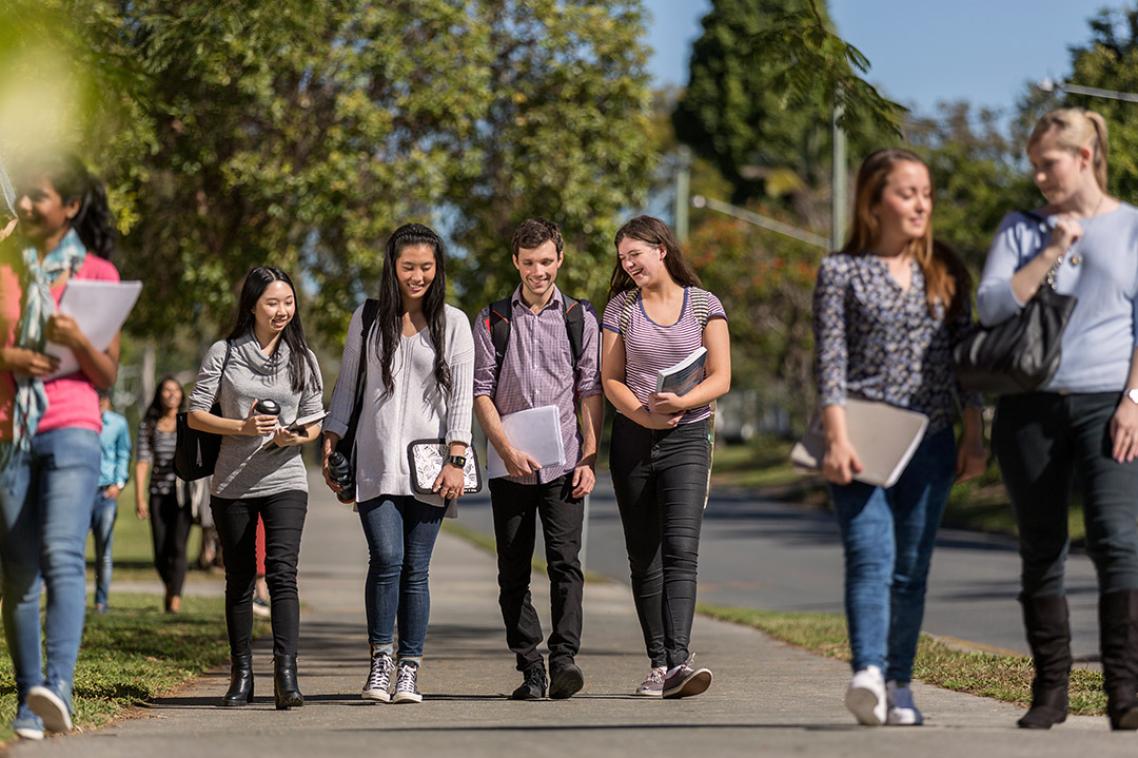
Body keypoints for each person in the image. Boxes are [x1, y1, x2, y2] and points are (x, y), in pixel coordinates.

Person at [813, 148, 986, 727]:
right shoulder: (840, 272)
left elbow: (967, 365)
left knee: (911, 569)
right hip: (861, 437)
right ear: (874, 200)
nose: (920, 203)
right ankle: (867, 672)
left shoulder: (947, 272)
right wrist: (836, 439)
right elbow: (830, 363)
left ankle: (899, 682)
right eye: (907, 192)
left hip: (933, 441)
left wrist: (974, 434)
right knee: (870, 557)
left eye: (927, 193)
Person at [977, 108, 1138, 731]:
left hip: (1109, 402)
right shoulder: (1022, 228)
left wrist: (1133, 401)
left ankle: (1125, 694)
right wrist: (1050, 249)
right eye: (1034, 165)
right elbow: (991, 306)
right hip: (1030, 407)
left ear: (1085, 157)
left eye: (1049, 163)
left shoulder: (1130, 228)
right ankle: (1050, 693)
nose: (1040, 176)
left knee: (1118, 542)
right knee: (1041, 547)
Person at [324, 222, 473, 705]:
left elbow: (462, 402)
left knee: (417, 568)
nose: (417, 276)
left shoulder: (454, 322)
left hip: (431, 466)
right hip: (374, 458)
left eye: (426, 267)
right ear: (392, 267)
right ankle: (380, 660)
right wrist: (331, 439)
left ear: (438, 269)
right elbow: (347, 387)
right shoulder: (367, 318)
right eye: (408, 266)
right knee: (386, 559)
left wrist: (456, 458)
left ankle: (409, 667)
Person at [0, 155, 122, 739]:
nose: (24, 205)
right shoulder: (3, 265)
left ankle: (60, 686)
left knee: (61, 553)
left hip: (73, 424)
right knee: (18, 573)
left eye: (38, 197)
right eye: (21, 195)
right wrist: (8, 357)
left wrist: (77, 337)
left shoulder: (97, 273)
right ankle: (31, 701)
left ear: (69, 206)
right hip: (9, 430)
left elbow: (107, 374)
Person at [599, 215, 730, 699]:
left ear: (661, 249)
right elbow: (610, 379)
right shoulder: (621, 308)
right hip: (634, 440)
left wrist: (682, 404)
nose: (629, 264)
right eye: (622, 258)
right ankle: (658, 663)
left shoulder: (703, 304)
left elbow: (721, 376)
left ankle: (679, 660)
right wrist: (646, 416)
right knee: (644, 556)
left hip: (689, 439)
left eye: (635, 253)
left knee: (681, 550)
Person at [472, 218, 603, 700]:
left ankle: (565, 657)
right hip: (510, 467)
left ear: (559, 260)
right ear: (516, 263)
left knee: (566, 564)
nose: (538, 271)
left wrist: (589, 457)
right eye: (528, 263)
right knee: (512, 571)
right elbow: (481, 391)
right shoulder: (491, 320)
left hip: (565, 462)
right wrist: (506, 448)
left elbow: (590, 389)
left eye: (546, 261)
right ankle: (531, 664)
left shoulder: (579, 318)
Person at [187, 266, 324, 710]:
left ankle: (287, 676)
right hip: (231, 483)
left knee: (283, 575)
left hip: (286, 479)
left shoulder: (302, 356)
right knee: (240, 579)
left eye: (288, 302)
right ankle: (241, 674)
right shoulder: (224, 352)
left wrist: (294, 436)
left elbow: (314, 422)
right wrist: (241, 427)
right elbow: (195, 414)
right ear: (252, 306)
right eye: (272, 303)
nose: (283, 311)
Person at [135, 375, 191, 613]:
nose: (171, 394)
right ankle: (170, 586)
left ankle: (175, 600)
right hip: (158, 493)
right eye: (167, 390)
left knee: (178, 547)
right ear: (159, 394)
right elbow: (142, 461)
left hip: (183, 495)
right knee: (160, 552)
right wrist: (139, 497)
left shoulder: (190, 421)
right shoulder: (148, 425)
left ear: (181, 395)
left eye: (176, 390)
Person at [90, 390, 130, 614]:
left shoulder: (117, 423)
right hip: (81, 492)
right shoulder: (81, 421)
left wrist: (119, 483)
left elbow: (123, 453)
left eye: (101, 399)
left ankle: (100, 601)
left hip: (105, 493)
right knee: (72, 549)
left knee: (103, 550)